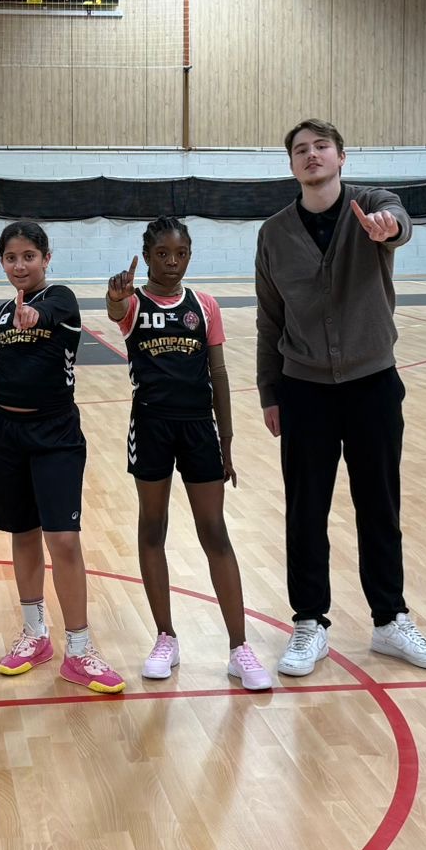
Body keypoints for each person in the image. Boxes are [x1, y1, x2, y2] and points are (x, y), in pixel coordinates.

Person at [255, 118, 426, 677]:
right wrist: (270, 390)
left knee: (379, 506)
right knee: (305, 511)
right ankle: (309, 622)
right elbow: (269, 319)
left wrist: (389, 228)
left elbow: (398, 222)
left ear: (341, 157)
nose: (312, 155)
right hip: (303, 390)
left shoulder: (373, 205)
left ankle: (390, 620)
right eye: (301, 149)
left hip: (373, 384)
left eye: (322, 146)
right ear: (291, 164)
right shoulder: (274, 234)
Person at [107, 216, 271, 691]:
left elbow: (218, 374)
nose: (172, 262)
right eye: (162, 254)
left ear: (190, 255)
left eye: (181, 254)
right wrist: (116, 295)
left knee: (215, 531)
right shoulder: (134, 303)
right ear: (148, 256)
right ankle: (166, 637)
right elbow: (115, 309)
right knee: (152, 528)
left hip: (200, 429)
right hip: (151, 426)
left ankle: (239, 648)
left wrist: (228, 441)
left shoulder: (204, 305)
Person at [0, 220, 125, 693]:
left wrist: (34, 316)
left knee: (62, 539)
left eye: (29, 256)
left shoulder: (60, 299)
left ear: (46, 259)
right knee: (22, 533)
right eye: (11, 258)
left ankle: (80, 649)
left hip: (54, 434)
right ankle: (35, 634)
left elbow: (50, 314)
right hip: (3, 433)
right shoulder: (3, 312)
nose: (19, 265)